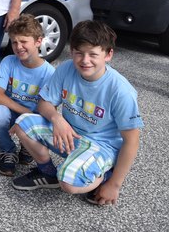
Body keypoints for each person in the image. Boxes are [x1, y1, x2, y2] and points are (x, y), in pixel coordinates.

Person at [11, 21, 143, 206]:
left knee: (68, 183)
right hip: (71, 134)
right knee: (22, 124)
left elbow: (132, 141)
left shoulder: (121, 91)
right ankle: (47, 173)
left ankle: (105, 176)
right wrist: (57, 119)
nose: (85, 60)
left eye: (93, 54)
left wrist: (114, 185)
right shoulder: (66, 68)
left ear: (108, 55)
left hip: (101, 145)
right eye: (79, 53)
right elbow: (44, 103)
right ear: (72, 51)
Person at [0, 14, 55, 176]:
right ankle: (8, 151)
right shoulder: (8, 62)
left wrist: (28, 118)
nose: (18, 47)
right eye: (14, 42)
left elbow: (49, 107)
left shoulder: (49, 73)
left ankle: (27, 147)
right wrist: (25, 112)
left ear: (38, 41)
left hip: (36, 117)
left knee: (39, 120)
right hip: (20, 111)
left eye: (24, 41)